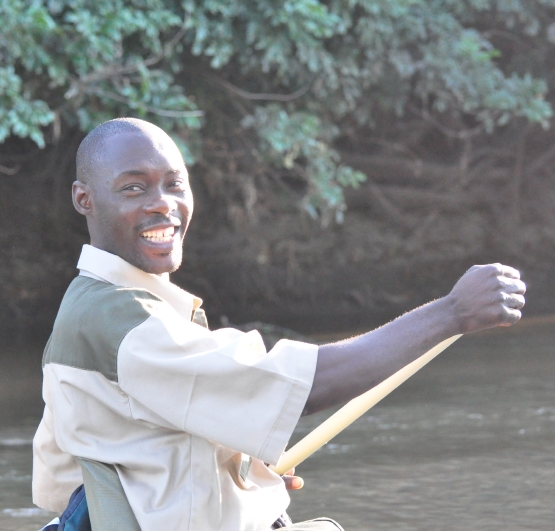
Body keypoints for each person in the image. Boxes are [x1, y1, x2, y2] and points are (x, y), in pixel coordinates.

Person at [32, 118, 526, 531]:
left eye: (175, 184)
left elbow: (68, 471)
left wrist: (236, 473)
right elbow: (311, 386)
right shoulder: (123, 321)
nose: (163, 203)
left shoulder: (85, 313)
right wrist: (450, 313)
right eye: (133, 188)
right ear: (84, 199)